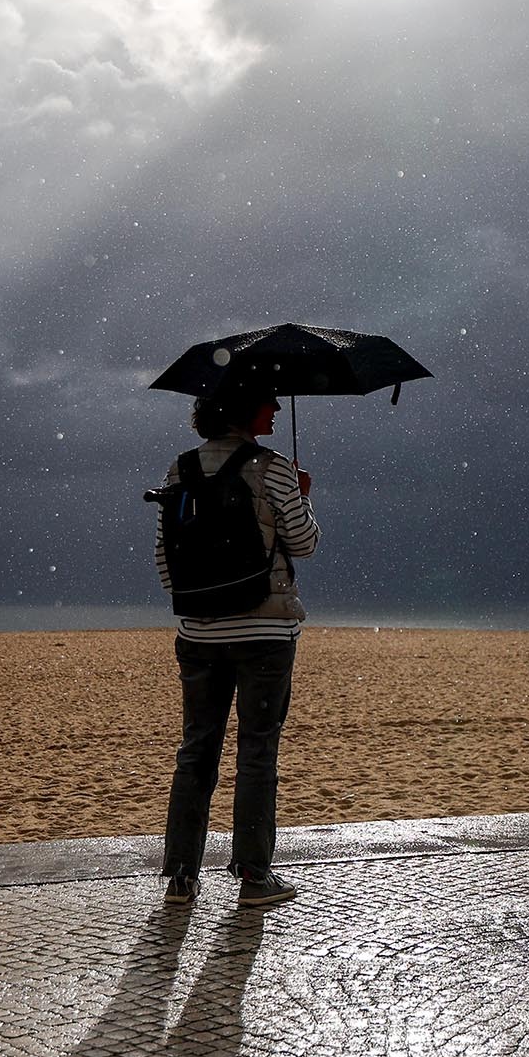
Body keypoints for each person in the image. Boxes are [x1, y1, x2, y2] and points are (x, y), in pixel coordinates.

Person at [154, 388, 319, 908]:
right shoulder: (272, 469)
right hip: (265, 635)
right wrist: (301, 494)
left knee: (196, 750)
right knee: (257, 752)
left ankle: (182, 875)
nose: (274, 409)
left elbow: (166, 560)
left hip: (198, 635)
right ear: (244, 409)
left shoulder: (179, 469)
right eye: (267, 402)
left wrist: (206, 602)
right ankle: (253, 875)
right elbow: (306, 544)